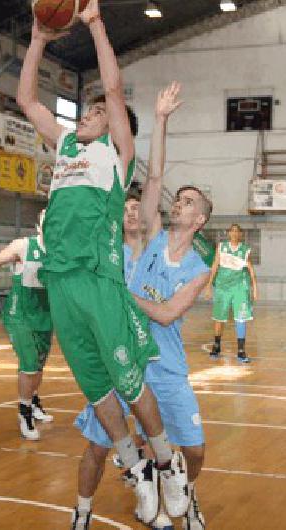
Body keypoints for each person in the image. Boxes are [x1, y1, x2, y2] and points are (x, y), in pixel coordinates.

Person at [17, 2, 188, 526]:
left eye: (96, 113)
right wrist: (38, 39)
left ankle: (166, 459)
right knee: (96, 388)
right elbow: (26, 99)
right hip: (60, 283)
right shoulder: (64, 145)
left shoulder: (117, 154)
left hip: (99, 279)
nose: (88, 116)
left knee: (130, 382)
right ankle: (135, 464)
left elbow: (114, 91)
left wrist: (94, 23)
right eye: (86, 112)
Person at [73, 82, 211, 530]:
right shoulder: (147, 239)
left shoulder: (197, 268)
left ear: (200, 220)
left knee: (194, 450)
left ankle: (184, 494)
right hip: (125, 359)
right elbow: (153, 179)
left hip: (166, 367)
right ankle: (85, 510)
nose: (179, 202)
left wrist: (120, 298)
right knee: (97, 446)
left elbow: (169, 313)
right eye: (180, 198)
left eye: (188, 201)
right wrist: (162, 120)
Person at [0, 210, 53, 441]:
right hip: (19, 314)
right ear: (39, 225)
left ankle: (33, 399)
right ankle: (24, 412)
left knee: (38, 366)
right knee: (29, 364)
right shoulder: (23, 245)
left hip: (46, 315)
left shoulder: (65, 251)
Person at [204, 224, 258, 362]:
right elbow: (215, 265)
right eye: (232, 230)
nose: (234, 233)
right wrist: (209, 285)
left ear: (240, 234)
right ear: (228, 233)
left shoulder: (245, 250)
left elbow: (251, 269)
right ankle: (216, 346)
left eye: (237, 231)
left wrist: (255, 288)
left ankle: (241, 351)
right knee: (219, 318)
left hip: (239, 287)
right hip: (222, 287)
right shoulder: (221, 247)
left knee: (241, 318)